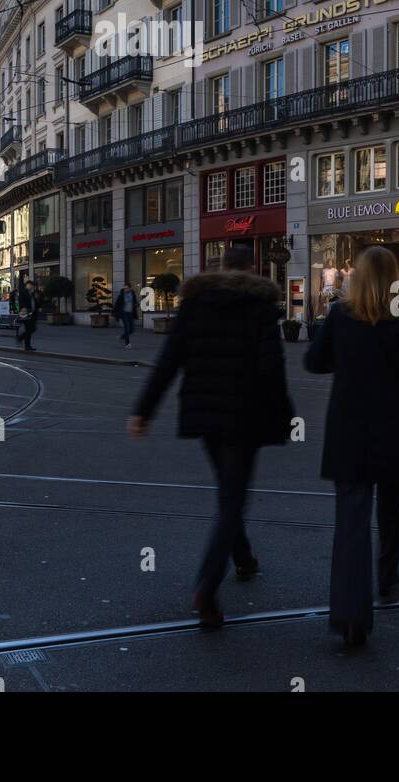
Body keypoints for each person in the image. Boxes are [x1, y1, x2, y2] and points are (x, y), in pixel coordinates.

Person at [127, 245, 294, 630]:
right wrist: (285, 414)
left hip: (204, 412)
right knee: (232, 498)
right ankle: (207, 584)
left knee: (227, 490)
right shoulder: (260, 304)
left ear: (220, 267)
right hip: (245, 414)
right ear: (251, 268)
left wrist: (144, 409)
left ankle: (244, 557)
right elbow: (272, 365)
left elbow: (170, 358)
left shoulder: (196, 302)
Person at [304, 246, 399, 652]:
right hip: (394, 427)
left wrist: (346, 362)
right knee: (396, 507)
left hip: (349, 428)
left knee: (351, 523)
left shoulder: (340, 315)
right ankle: (387, 576)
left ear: (356, 277)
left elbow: (313, 361)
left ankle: (351, 616)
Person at [111, 282, 140, 347]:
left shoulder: (132, 294)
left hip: (130, 313)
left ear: (130, 288)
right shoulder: (121, 295)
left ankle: (122, 336)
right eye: (124, 288)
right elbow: (116, 305)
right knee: (127, 328)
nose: (125, 289)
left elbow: (134, 301)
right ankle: (127, 343)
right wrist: (114, 313)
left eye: (127, 288)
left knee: (132, 330)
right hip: (124, 313)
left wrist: (136, 304)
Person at [16, 280, 39, 352]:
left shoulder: (31, 293)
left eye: (32, 285)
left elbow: (34, 302)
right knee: (30, 329)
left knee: (31, 329)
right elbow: (22, 303)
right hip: (26, 313)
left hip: (32, 314)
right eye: (30, 285)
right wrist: (24, 310)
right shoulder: (24, 293)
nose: (31, 286)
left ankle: (22, 340)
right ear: (27, 285)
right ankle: (26, 345)